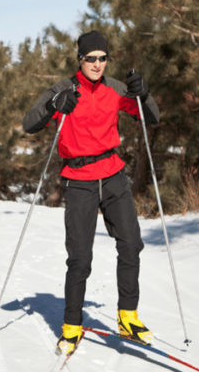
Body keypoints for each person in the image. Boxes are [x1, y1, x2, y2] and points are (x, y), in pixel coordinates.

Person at [22, 30, 159, 355]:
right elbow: (29, 123)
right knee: (80, 258)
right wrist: (55, 105)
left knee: (131, 244)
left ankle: (128, 316)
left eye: (102, 58)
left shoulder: (115, 89)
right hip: (79, 180)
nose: (98, 64)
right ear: (80, 60)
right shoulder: (63, 90)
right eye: (91, 58)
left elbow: (152, 117)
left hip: (113, 175)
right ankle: (71, 327)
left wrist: (144, 93)